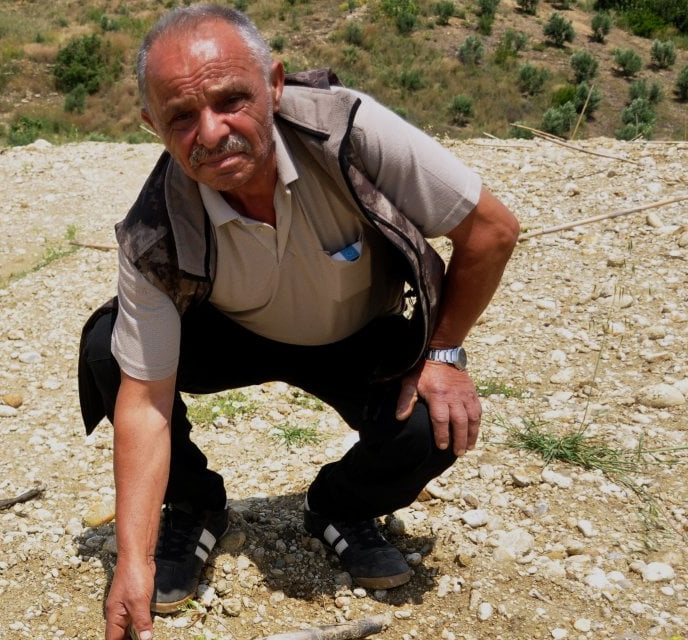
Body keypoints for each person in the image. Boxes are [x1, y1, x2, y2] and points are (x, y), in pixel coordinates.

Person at [76, 5, 520, 639]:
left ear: (275, 85)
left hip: (358, 336)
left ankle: (338, 506)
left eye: (233, 99)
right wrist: (133, 563)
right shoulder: (152, 232)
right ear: (152, 124)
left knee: (433, 421)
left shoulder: (349, 132)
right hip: (231, 332)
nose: (211, 131)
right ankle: (194, 507)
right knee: (108, 350)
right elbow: (146, 402)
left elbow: (491, 231)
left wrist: (443, 353)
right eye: (181, 116)